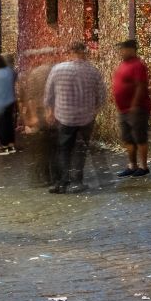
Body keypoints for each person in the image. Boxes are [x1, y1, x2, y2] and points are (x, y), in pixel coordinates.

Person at [43, 41, 105, 193]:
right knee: (80, 150)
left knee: (63, 150)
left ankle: (62, 182)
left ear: (69, 52)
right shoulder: (93, 71)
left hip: (64, 117)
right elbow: (102, 95)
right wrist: (95, 110)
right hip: (86, 118)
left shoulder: (58, 69)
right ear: (85, 53)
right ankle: (77, 181)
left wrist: (50, 111)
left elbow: (49, 93)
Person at [112, 39, 151, 177]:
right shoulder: (123, 64)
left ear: (131, 50)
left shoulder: (138, 65)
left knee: (139, 137)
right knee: (128, 138)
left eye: (123, 49)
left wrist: (134, 105)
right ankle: (132, 165)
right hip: (124, 110)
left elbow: (140, 85)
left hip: (137, 109)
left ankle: (144, 166)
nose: (121, 52)